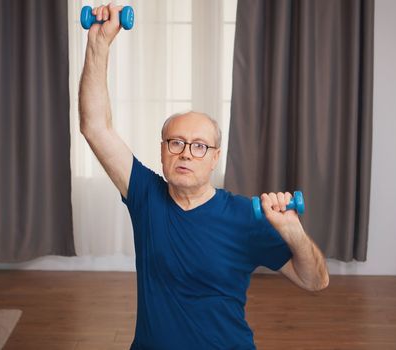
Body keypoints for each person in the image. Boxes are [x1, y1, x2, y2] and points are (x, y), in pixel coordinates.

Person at [79, 4, 329, 349]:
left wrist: (293, 232)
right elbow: (95, 127)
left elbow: (316, 281)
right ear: (163, 151)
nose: (185, 152)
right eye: (176, 143)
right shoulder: (146, 196)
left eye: (199, 146)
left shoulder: (247, 217)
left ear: (214, 158)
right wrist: (98, 44)